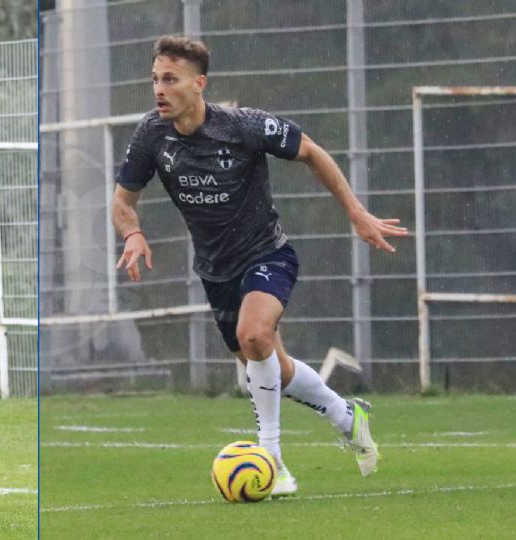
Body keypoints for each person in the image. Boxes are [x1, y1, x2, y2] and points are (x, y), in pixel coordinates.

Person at [113, 36, 407, 496]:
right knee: (272, 366)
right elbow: (122, 202)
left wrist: (355, 211)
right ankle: (346, 416)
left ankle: (272, 462)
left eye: (170, 79)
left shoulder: (242, 126)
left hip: (267, 254)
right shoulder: (152, 134)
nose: (159, 89)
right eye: (155, 79)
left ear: (199, 83)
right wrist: (131, 232)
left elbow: (311, 150)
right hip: (215, 272)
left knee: (255, 336)